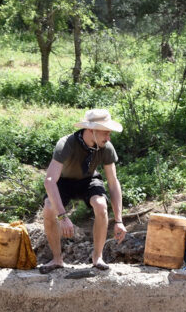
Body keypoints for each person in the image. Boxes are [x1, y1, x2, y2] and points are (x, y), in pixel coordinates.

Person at [40, 109, 127, 272]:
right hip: (63, 182)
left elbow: (113, 183)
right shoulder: (66, 144)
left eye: (109, 133)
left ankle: (97, 257)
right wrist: (62, 216)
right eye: (105, 133)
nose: (108, 138)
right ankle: (57, 259)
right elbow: (50, 181)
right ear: (91, 130)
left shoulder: (106, 147)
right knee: (49, 208)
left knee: (101, 205)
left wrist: (119, 220)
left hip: (88, 180)